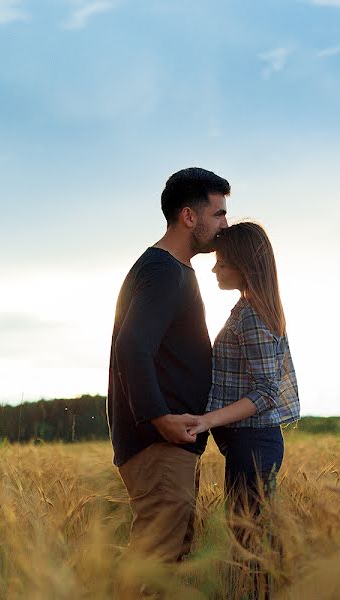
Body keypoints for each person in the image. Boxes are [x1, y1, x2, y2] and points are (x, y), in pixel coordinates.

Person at [108, 167, 230, 563]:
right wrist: (159, 417)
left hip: (171, 445)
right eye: (218, 214)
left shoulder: (174, 270)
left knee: (168, 562)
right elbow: (132, 346)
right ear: (189, 216)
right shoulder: (162, 271)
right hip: (159, 445)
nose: (224, 225)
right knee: (154, 565)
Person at [186, 221, 300, 595]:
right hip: (249, 443)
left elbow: (267, 391)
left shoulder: (252, 314)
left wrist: (207, 421)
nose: (215, 269)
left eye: (222, 263)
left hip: (254, 443)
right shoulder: (247, 307)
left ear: (245, 266)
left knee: (252, 544)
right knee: (252, 539)